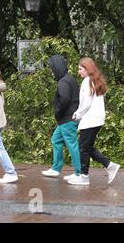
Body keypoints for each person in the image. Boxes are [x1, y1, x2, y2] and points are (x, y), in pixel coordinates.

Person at [65, 57, 120, 186]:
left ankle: (84, 176)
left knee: (83, 149)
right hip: (97, 119)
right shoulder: (95, 80)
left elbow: (86, 103)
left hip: (90, 120)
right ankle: (109, 165)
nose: (78, 72)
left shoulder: (87, 81)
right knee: (87, 147)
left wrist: (77, 114)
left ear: (87, 69)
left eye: (80, 69)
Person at [42, 55, 83, 185]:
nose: (51, 70)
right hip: (67, 119)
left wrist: (58, 112)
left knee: (72, 145)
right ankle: (56, 168)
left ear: (57, 67)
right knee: (56, 140)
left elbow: (64, 99)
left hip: (67, 118)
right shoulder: (69, 79)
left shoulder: (63, 82)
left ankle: (79, 172)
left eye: (52, 68)